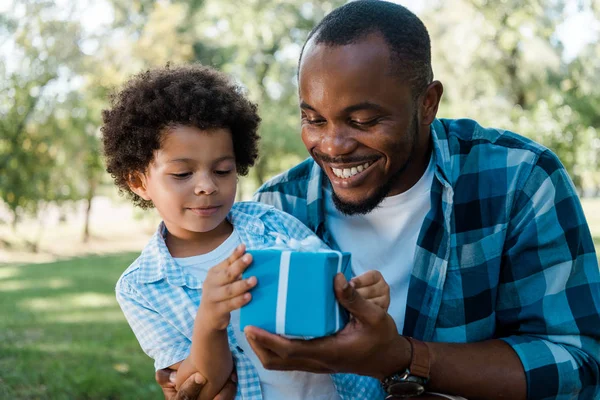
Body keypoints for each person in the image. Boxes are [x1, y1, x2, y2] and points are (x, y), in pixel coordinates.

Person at [160, 1, 600, 399]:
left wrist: (400, 358)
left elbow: (577, 362)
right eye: (313, 119)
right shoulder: (279, 208)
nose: (332, 146)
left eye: (363, 120)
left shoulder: (519, 181)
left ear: (427, 104)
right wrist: (206, 377)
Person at [101, 64, 389, 400]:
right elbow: (203, 388)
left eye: (222, 170)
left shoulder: (272, 224)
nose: (207, 186)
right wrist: (210, 319)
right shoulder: (142, 287)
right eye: (182, 174)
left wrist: (360, 297)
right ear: (139, 182)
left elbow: (333, 292)